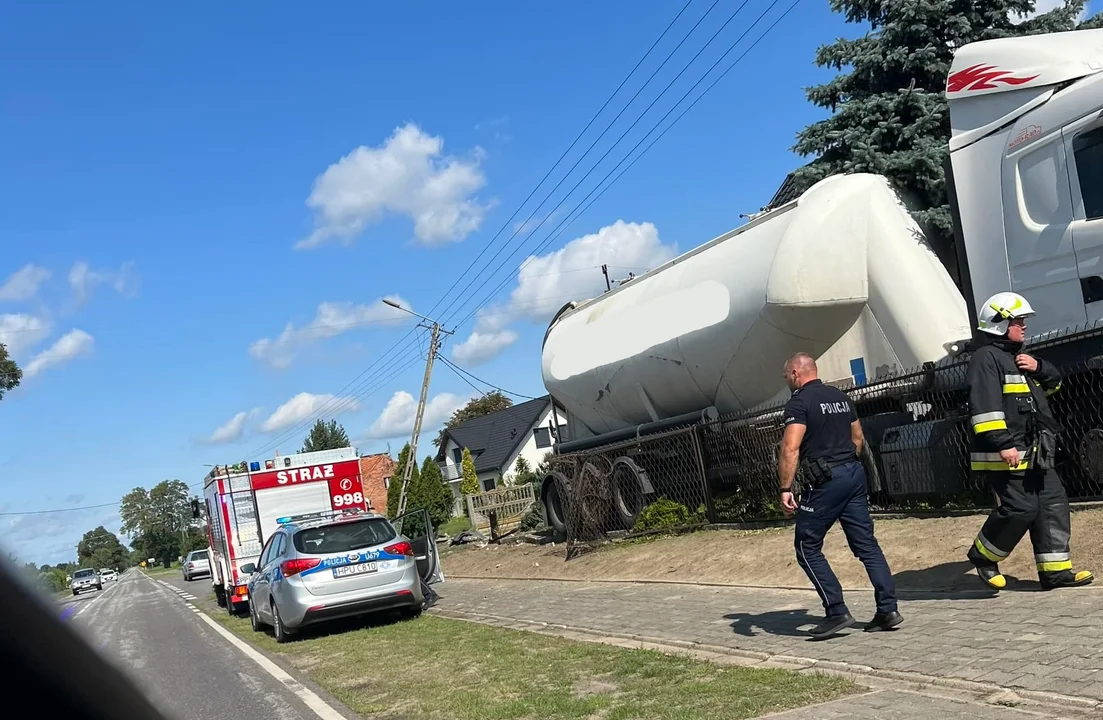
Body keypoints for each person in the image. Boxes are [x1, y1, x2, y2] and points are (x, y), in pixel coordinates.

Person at [965, 292, 1094, 590]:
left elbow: (1052, 388)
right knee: (1021, 507)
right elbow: (984, 408)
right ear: (999, 323)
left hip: (1035, 451)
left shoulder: (1017, 359)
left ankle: (1055, 572)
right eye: (1018, 321)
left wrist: (1040, 368)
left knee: (1052, 503)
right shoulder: (986, 359)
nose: (1023, 326)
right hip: (1006, 453)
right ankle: (983, 556)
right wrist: (1003, 444)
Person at [778, 352, 903, 639]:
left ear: (796, 373)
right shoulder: (840, 397)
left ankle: (836, 612)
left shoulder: (799, 402)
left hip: (825, 481)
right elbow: (857, 437)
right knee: (867, 545)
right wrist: (846, 465)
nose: (786, 380)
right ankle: (888, 609)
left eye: (786, 376)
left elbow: (790, 447)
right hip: (853, 474)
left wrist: (786, 488)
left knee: (807, 547)